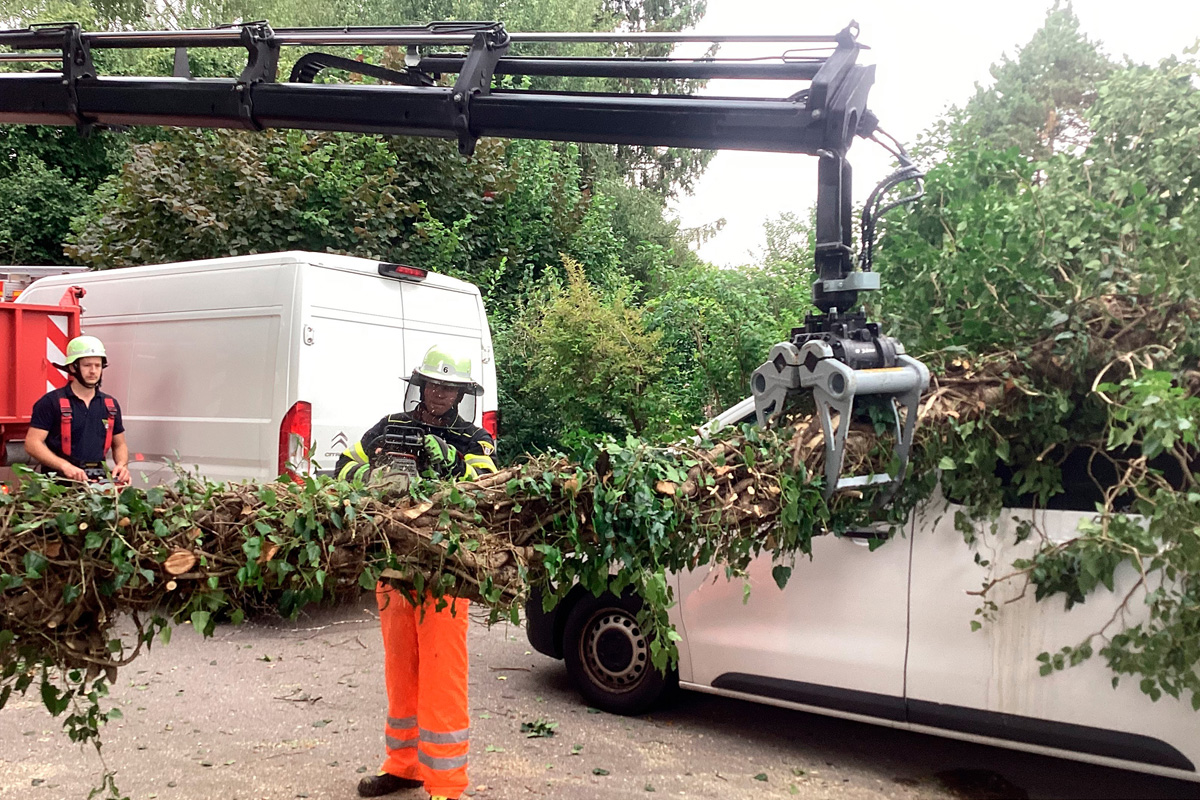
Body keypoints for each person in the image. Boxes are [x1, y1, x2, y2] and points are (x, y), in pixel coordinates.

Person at [336, 345, 497, 800]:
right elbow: (344, 465)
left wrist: (439, 463)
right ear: (421, 386)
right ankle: (403, 766)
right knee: (400, 668)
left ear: (461, 394)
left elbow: (481, 485)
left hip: (447, 569)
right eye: (435, 384)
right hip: (394, 567)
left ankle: (446, 784)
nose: (442, 393)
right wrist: (375, 473)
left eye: (451, 387)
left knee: (444, 672)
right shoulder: (389, 427)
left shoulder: (474, 439)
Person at [24, 335, 131, 486]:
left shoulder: (110, 405)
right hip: (58, 486)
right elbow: (32, 443)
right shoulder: (50, 402)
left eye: (98, 365)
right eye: (87, 365)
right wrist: (65, 466)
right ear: (73, 367)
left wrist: (122, 465)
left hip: (97, 486)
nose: (93, 371)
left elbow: (119, 444)